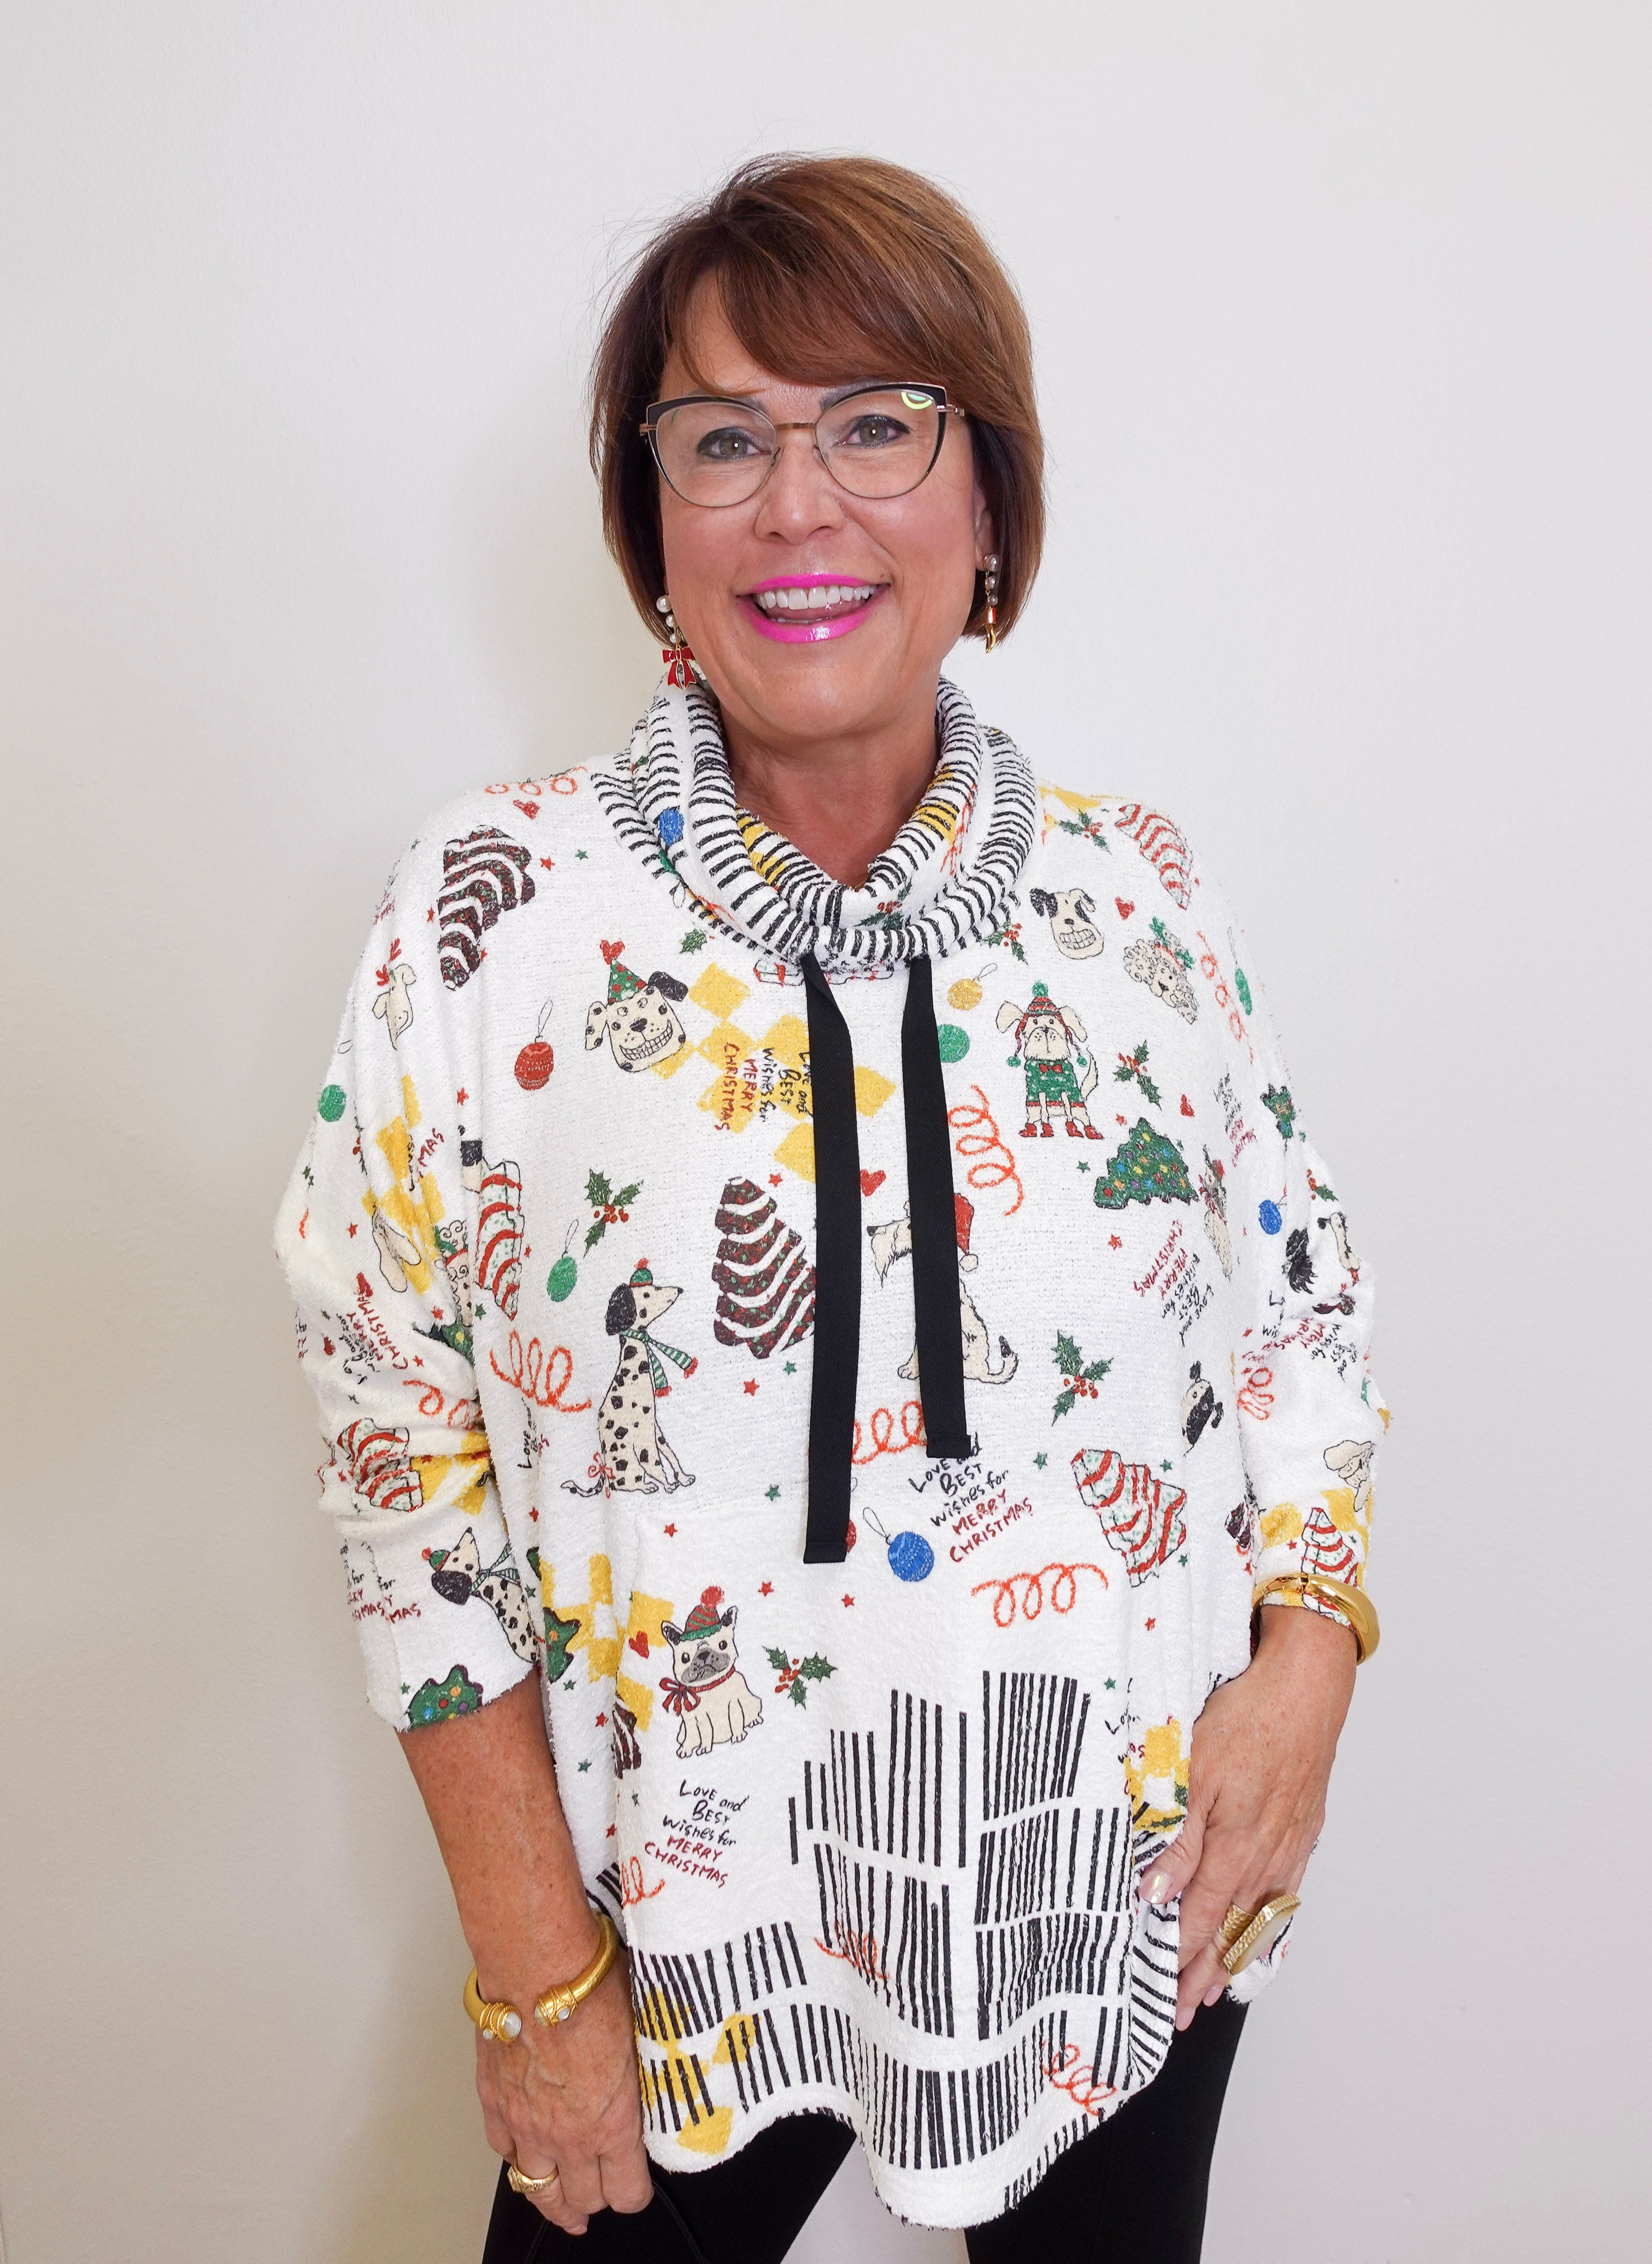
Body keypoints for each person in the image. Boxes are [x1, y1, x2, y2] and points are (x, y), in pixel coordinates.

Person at [276, 154, 1386, 2264]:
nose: (799, 506)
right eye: (722, 441)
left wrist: (1305, 1664)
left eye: (876, 422)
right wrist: (534, 1978)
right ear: (650, 531)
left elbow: (1301, 1320)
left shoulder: (1137, 896)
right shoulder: (491, 921)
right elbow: (394, 1454)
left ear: (988, 504)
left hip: (1113, 1899)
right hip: (678, 1940)